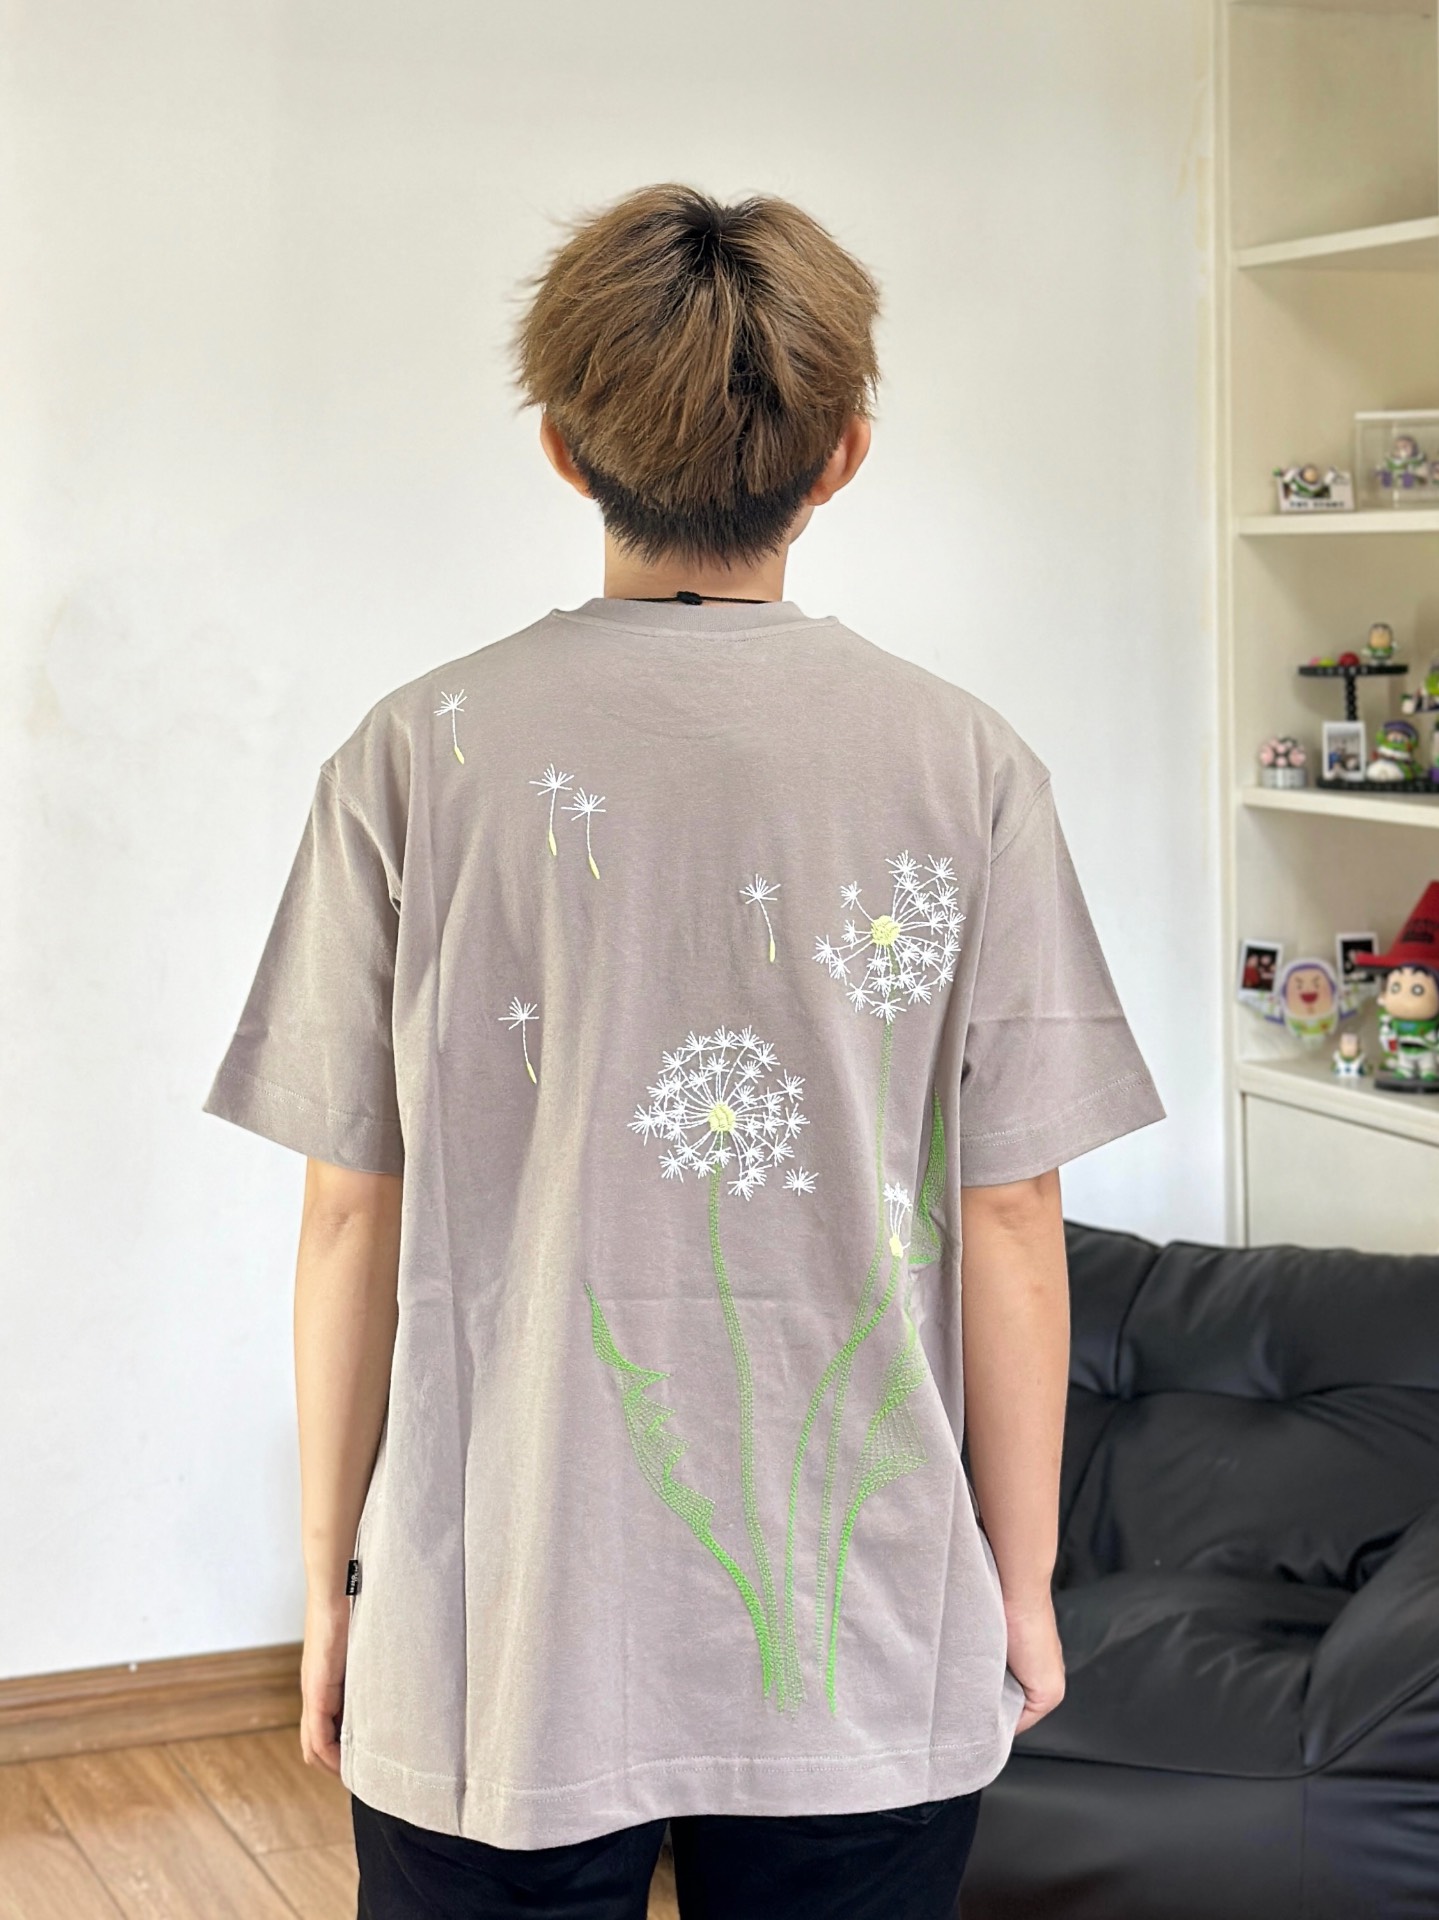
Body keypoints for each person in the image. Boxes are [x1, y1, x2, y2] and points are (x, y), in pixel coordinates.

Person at [204, 183, 1164, 1920]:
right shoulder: (970, 766)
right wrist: (1017, 1585)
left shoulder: (412, 753)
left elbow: (351, 1208)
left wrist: (336, 1587)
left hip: (493, 1633)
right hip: (865, 1635)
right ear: (843, 457)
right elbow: (1014, 1216)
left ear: (565, 448)